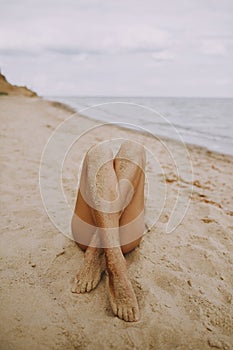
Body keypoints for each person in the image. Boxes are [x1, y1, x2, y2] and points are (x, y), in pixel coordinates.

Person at [71, 140, 146, 322]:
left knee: (133, 148)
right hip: (121, 238)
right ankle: (116, 264)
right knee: (99, 151)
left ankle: (99, 250)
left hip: (92, 235)